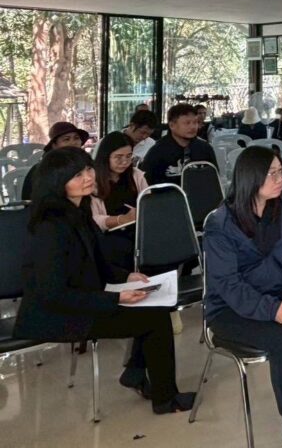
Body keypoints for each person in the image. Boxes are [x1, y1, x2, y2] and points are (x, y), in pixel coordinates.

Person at [14, 148, 195, 413]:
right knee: (155, 320)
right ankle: (165, 398)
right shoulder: (50, 227)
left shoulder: (77, 211)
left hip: (83, 299)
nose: (88, 177)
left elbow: (96, 262)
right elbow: (54, 294)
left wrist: (127, 277)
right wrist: (116, 297)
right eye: (77, 175)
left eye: (88, 169)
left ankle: (136, 374)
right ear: (58, 181)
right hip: (57, 314)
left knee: (156, 306)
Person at [204, 146, 282, 448]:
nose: (279, 179)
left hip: (280, 297)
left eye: (281, 172)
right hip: (229, 310)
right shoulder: (221, 223)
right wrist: (274, 310)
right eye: (272, 173)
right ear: (251, 177)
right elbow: (228, 285)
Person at [91, 132, 149, 271]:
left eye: (129, 156)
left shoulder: (136, 175)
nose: (124, 162)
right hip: (109, 234)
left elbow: (148, 202)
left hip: (138, 230)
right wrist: (122, 219)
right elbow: (93, 220)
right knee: (121, 248)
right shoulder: (93, 181)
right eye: (118, 157)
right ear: (106, 156)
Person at [140, 103, 218, 187]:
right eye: (187, 123)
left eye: (195, 122)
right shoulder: (158, 151)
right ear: (172, 125)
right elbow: (146, 185)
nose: (193, 127)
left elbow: (215, 181)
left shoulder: (205, 149)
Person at [21, 121, 90, 202]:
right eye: (66, 139)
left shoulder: (86, 166)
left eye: (76, 138)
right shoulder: (44, 170)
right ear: (54, 145)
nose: (73, 142)